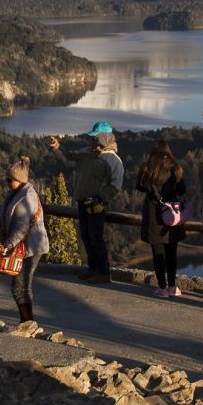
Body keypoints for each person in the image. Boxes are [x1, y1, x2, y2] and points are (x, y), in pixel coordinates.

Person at [48, 121, 123, 283]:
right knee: (86, 237)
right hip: (82, 201)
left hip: (97, 205)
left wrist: (99, 198)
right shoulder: (87, 153)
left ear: (105, 138)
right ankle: (93, 269)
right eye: (93, 138)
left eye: (96, 138)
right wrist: (58, 147)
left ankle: (103, 272)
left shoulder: (112, 160)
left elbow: (115, 185)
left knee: (96, 238)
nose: (92, 141)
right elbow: (69, 158)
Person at [0, 156, 49, 322]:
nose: (7, 182)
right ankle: (27, 321)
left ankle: (28, 322)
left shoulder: (26, 197)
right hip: (27, 245)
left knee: (20, 287)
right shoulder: (18, 193)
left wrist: (7, 245)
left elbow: (21, 227)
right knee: (22, 286)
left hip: (29, 247)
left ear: (18, 180)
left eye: (9, 179)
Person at [136, 139, 187, 298]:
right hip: (172, 214)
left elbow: (139, 186)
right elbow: (182, 189)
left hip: (154, 213)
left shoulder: (147, 168)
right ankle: (172, 287)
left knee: (158, 252)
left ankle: (162, 288)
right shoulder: (176, 167)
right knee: (171, 251)